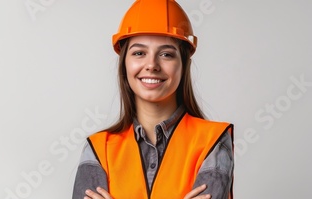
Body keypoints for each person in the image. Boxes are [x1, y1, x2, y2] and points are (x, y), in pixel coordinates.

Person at [72, 0, 234, 199]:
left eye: (166, 54)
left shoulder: (213, 141)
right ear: (124, 63)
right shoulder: (98, 148)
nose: (152, 65)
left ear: (184, 65)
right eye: (139, 53)